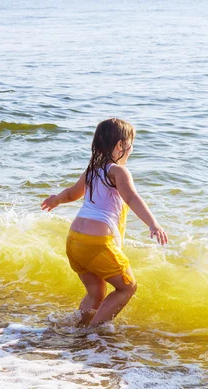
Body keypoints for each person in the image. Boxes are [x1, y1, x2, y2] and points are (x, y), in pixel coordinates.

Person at [41, 118, 168, 327]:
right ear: (120, 145)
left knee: (96, 292)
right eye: (131, 143)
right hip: (97, 242)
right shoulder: (117, 171)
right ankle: (94, 333)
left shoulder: (92, 170)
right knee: (127, 287)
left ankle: (79, 327)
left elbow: (72, 193)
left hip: (74, 241)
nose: (131, 149)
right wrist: (153, 223)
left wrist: (55, 199)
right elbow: (131, 198)